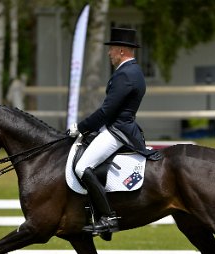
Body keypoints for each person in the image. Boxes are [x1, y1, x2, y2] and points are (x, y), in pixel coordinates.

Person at [67, 27, 158, 235]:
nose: (109, 53)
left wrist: (80, 127)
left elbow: (107, 111)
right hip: (120, 127)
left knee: (82, 167)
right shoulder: (133, 71)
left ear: (121, 51)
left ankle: (107, 218)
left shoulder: (125, 74)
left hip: (118, 131)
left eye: (112, 49)